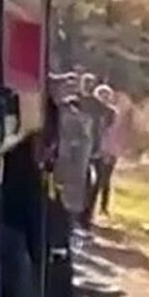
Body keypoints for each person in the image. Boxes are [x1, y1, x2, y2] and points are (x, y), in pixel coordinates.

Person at [54, 93, 96, 230]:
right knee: (71, 198)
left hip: (68, 165)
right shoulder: (82, 121)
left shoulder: (66, 118)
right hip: (74, 167)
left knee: (66, 197)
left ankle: (70, 226)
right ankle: (71, 225)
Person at [83, 84, 121, 225]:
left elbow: (113, 135)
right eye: (101, 95)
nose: (104, 98)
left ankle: (97, 210)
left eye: (106, 96)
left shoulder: (111, 113)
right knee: (89, 183)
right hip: (89, 150)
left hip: (104, 153)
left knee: (100, 183)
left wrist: (111, 153)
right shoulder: (89, 110)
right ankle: (84, 214)